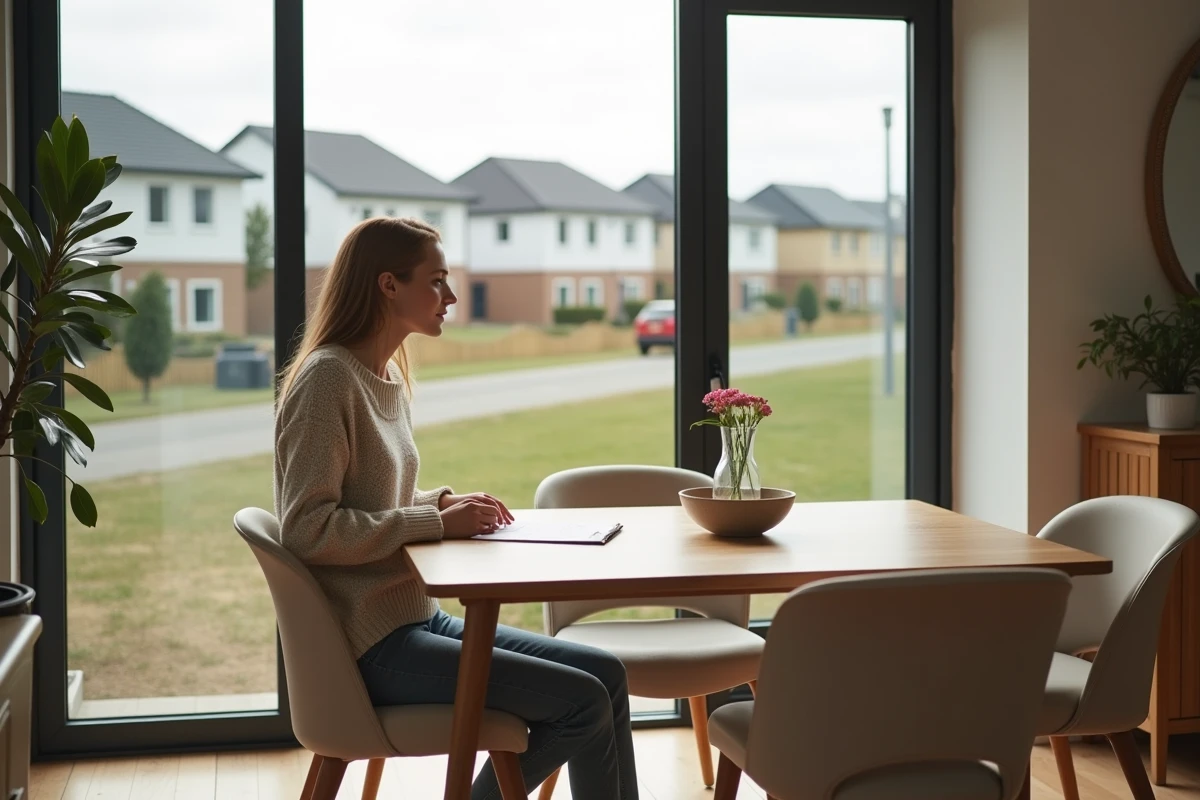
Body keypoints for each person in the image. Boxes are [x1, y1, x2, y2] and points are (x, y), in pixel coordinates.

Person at [274, 217, 638, 800]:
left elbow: (368, 501)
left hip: (415, 618)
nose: (451, 296)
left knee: (607, 675)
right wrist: (435, 522)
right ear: (388, 285)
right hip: (373, 646)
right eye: (437, 281)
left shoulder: (380, 373)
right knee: (582, 703)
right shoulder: (327, 382)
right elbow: (309, 530)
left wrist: (438, 502)